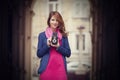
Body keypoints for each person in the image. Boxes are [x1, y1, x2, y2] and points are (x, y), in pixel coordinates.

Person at [36, 11, 71, 80]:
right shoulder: (42, 35)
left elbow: (68, 53)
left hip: (60, 70)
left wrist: (58, 47)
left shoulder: (63, 36)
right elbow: (39, 54)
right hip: (46, 69)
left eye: (57, 20)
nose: (55, 22)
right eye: (53, 20)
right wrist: (47, 45)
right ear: (49, 21)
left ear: (59, 22)